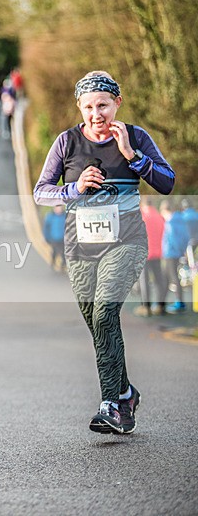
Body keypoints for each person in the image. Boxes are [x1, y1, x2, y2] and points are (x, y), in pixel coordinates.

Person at [34, 70, 175, 435]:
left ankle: (112, 404)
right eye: (89, 107)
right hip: (80, 249)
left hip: (126, 242)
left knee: (105, 310)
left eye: (103, 105)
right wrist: (74, 188)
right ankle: (125, 393)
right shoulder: (66, 143)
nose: (96, 114)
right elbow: (41, 191)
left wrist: (132, 156)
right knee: (98, 322)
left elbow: (167, 182)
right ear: (79, 108)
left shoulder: (136, 137)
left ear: (118, 103)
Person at [134, 197, 166, 316]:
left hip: (144, 253)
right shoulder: (159, 216)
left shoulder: (142, 216)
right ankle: (160, 305)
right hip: (158, 252)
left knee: (144, 281)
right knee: (159, 280)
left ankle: (146, 307)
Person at [160, 199, 190, 314]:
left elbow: (172, 238)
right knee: (170, 277)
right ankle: (163, 302)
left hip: (170, 253)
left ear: (164, 210)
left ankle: (179, 303)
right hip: (177, 253)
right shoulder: (181, 219)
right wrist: (182, 250)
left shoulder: (170, 222)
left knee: (172, 277)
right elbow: (186, 236)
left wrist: (177, 249)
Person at [43, 204, 66, 272]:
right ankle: (53, 261)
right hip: (54, 238)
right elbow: (46, 228)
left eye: (60, 208)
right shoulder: (50, 216)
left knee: (63, 252)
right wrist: (46, 237)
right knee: (55, 251)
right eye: (57, 208)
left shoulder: (65, 216)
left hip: (63, 238)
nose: (59, 209)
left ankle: (63, 265)